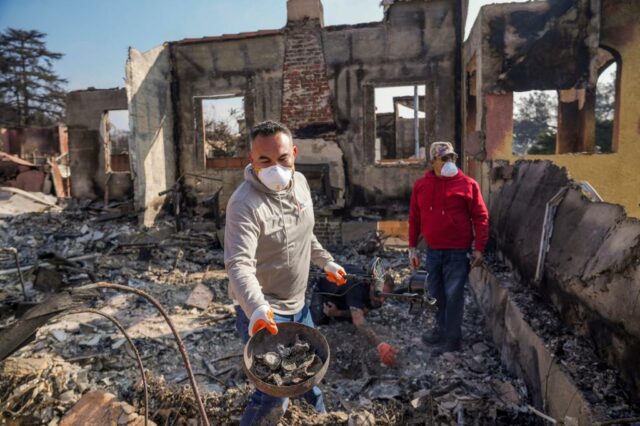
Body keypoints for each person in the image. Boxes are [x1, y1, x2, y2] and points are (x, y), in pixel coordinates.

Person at [224, 120, 347, 426]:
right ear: (251, 160)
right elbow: (239, 264)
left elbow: (305, 232)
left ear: (293, 153)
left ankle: (319, 420)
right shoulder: (244, 204)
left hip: (299, 305)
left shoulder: (301, 184)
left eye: (282, 158)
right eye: (264, 160)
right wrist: (257, 309)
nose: (274, 167)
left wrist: (326, 262)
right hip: (266, 313)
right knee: (274, 392)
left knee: (307, 374)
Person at [408, 141, 489, 355]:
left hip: (457, 252)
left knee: (454, 295)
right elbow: (415, 217)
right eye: (444, 158)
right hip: (433, 250)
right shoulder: (421, 185)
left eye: (452, 158)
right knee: (436, 293)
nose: (449, 162)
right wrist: (412, 247)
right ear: (433, 161)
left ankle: (452, 339)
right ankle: (440, 330)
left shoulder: (468, 184)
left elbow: (481, 217)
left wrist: (479, 248)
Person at [309, 265, 399, 367]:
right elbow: (359, 321)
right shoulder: (357, 288)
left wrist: (338, 313)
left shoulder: (376, 297)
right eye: (379, 295)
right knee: (320, 321)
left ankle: (339, 309)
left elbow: (363, 312)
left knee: (348, 317)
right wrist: (380, 344)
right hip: (324, 286)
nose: (382, 300)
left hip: (345, 293)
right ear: (371, 286)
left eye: (385, 297)